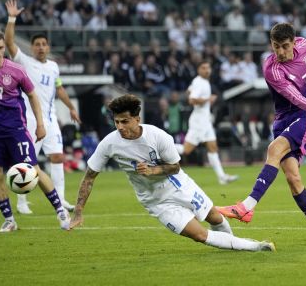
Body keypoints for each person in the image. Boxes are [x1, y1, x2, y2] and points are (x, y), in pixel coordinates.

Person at [69, 94, 275, 252]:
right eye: (117, 122)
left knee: (214, 218)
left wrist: (153, 170)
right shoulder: (109, 143)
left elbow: (175, 166)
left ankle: (233, 247)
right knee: (200, 235)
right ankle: (253, 246)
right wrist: (78, 211)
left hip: (179, 185)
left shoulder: (158, 136)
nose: (120, 127)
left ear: (137, 119)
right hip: (155, 201)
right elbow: (89, 177)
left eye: (125, 121)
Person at [216, 23, 306, 243]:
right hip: (283, 119)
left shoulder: (305, 45)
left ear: (293, 42)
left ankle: (246, 207)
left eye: (284, 46)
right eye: (275, 46)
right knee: (293, 177)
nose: (280, 52)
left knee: (274, 149)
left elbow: (304, 100)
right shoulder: (272, 70)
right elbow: (295, 96)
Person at [0, 31, 71, 233]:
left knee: (33, 169)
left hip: (17, 130)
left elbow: (33, 96)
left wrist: (41, 124)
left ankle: (61, 211)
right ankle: (9, 220)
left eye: (1, 48)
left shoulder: (16, 70)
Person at [4, 0, 81, 214]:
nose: (40, 47)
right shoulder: (24, 62)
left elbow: (60, 89)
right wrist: (12, 18)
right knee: (27, 161)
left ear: (48, 47)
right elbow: (9, 42)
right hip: (28, 119)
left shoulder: (54, 66)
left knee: (58, 157)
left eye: (43, 44)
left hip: (50, 118)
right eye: (36, 44)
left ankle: (61, 198)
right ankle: (21, 203)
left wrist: (71, 108)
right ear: (32, 47)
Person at [175, 61, 238, 185]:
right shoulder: (200, 83)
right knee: (186, 150)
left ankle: (222, 177)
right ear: (199, 70)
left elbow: (189, 92)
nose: (207, 70)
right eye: (203, 68)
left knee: (213, 147)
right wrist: (207, 99)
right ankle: (161, 147)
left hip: (205, 120)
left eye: (208, 67)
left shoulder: (198, 81)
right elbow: (192, 100)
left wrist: (204, 100)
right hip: (199, 121)